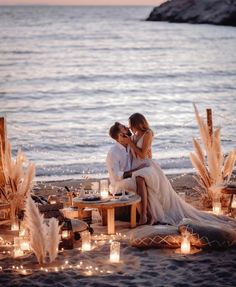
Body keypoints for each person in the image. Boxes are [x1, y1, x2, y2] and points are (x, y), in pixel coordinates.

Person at [123, 113, 236, 228]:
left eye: (131, 125)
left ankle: (144, 216)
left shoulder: (148, 133)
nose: (130, 128)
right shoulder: (134, 135)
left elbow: (142, 155)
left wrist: (131, 144)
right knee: (142, 182)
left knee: (141, 178)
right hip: (138, 167)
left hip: (147, 166)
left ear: (138, 124)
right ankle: (149, 215)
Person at [106, 122, 149, 224]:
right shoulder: (113, 152)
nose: (128, 128)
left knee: (149, 178)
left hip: (130, 178)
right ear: (120, 136)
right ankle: (143, 215)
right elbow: (117, 176)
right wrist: (137, 170)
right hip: (119, 185)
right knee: (140, 180)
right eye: (124, 128)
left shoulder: (130, 145)